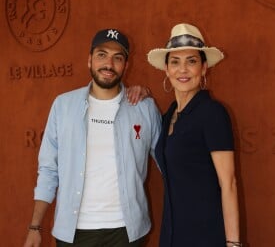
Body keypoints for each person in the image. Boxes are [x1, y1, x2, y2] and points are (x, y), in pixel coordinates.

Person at [23, 28, 161, 247]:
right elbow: (49, 170)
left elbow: (168, 161)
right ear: (89, 60)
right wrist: (34, 226)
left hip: (128, 233)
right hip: (74, 233)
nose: (109, 64)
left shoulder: (144, 108)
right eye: (102, 55)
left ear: (126, 65)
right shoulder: (63, 106)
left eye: (118, 58)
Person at [147, 23, 241, 247]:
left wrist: (234, 244)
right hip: (171, 233)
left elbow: (228, 183)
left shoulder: (212, 114)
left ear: (204, 68)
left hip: (205, 234)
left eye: (191, 61)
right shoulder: (169, 114)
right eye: (175, 62)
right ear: (166, 69)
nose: (183, 70)